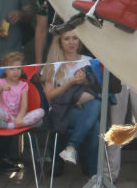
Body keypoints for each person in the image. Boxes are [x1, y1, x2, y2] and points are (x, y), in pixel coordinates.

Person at [44, 28, 101, 178]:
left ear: (80, 41)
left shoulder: (88, 61)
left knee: (95, 107)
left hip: (83, 109)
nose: (71, 42)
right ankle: (92, 173)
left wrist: (86, 81)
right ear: (60, 42)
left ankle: (71, 147)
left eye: (75, 38)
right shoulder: (53, 64)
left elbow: (97, 89)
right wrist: (71, 82)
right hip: (59, 112)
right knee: (94, 125)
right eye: (67, 39)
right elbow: (50, 96)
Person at [0, 51, 45, 128]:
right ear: (5, 70)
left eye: (18, 68)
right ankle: (21, 124)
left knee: (41, 111)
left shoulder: (23, 85)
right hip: (4, 117)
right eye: (11, 68)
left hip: (18, 117)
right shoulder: (0, 81)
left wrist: (20, 117)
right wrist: (1, 88)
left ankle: (13, 125)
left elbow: (24, 105)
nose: (15, 71)